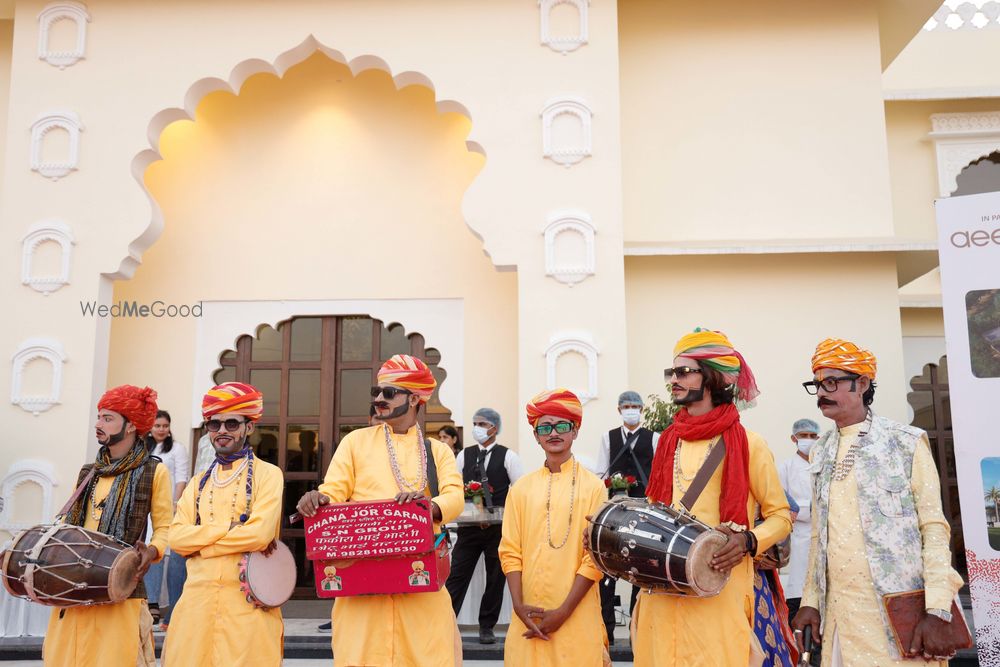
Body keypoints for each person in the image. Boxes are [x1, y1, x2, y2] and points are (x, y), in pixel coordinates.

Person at [792, 339, 965, 665]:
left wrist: (938, 610)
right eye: (816, 385)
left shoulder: (905, 442)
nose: (821, 394)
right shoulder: (820, 451)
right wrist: (811, 600)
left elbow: (934, 528)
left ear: (863, 383)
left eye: (831, 382)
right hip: (841, 619)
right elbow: (819, 536)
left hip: (898, 619)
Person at [633, 328, 792, 666]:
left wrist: (749, 540)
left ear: (712, 377)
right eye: (672, 372)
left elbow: (780, 516)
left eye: (683, 372)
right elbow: (654, 511)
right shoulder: (666, 441)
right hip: (661, 590)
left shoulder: (750, 443)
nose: (673, 380)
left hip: (719, 589)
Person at [296, 354, 464, 667]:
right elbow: (334, 490)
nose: (378, 399)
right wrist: (318, 499)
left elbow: (455, 496)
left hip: (420, 577)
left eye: (388, 393)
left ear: (414, 399)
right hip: (362, 576)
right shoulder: (355, 442)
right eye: (377, 392)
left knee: (427, 655)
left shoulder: (436, 450)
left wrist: (426, 508)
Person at [43, 385, 171, 667]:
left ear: (130, 426)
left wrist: (151, 551)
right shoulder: (89, 471)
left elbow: (165, 527)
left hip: (122, 586)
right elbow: (71, 524)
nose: (98, 424)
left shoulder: (154, 471)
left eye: (107, 418)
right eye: (99, 417)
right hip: (75, 584)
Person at [163, 382, 285, 666]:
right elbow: (177, 538)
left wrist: (202, 546)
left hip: (246, 602)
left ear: (249, 427)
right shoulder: (197, 482)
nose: (222, 431)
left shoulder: (269, 475)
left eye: (232, 423)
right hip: (196, 605)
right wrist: (227, 530)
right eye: (213, 424)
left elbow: (259, 535)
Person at [499, 388, 608, 666]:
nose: (553, 433)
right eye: (544, 427)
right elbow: (510, 551)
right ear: (536, 436)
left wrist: (563, 612)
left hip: (576, 612)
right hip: (528, 614)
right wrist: (519, 607)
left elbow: (595, 558)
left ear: (575, 431)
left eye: (562, 425)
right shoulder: (521, 488)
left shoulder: (594, 487)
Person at [446, 407, 524, 644]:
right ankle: (445, 623)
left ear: (494, 428)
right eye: (475, 423)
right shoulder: (463, 456)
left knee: (495, 579)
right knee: (457, 576)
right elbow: (453, 489)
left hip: (497, 529)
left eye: (482, 423)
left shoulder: (509, 456)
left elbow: (519, 492)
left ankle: (487, 627)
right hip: (468, 528)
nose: (477, 428)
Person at [593, 390, 659, 643]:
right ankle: (606, 631)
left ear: (641, 410)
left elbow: (658, 474)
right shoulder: (608, 438)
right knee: (608, 569)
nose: (631, 409)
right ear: (619, 410)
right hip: (615, 512)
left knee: (640, 571)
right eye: (626, 406)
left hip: (644, 512)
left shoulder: (654, 438)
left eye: (635, 405)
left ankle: (637, 631)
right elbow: (601, 473)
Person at [143, 409, 190, 630]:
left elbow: (181, 477)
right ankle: (151, 603)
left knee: (176, 557)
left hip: (170, 509)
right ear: (150, 428)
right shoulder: (143, 449)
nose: (161, 429)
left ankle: (174, 609)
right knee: (154, 553)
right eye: (157, 425)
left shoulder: (177, 449)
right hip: (146, 509)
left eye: (165, 426)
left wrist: (175, 504)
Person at [777, 419, 820, 638]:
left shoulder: (824, 464)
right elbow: (780, 504)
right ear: (794, 439)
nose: (809, 440)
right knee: (798, 590)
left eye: (813, 436)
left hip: (823, 537)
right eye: (804, 436)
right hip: (798, 538)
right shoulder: (785, 467)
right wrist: (810, 509)